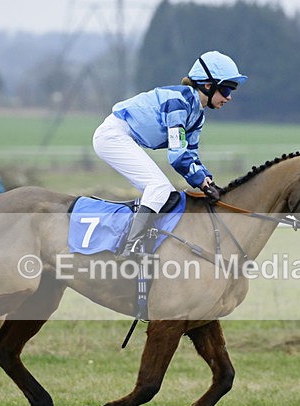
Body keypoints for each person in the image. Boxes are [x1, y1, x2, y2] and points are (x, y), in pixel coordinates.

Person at [92, 50, 247, 256]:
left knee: (166, 193)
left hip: (125, 138)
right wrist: (199, 180)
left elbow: (191, 154)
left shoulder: (197, 116)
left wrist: (207, 181)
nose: (229, 98)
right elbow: (177, 155)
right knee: (159, 188)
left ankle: (140, 239)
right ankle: (131, 248)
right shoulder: (178, 103)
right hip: (112, 136)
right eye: (226, 90)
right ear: (207, 86)